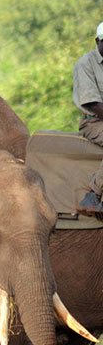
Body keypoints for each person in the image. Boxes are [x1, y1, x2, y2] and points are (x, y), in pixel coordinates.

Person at [73, 22, 103, 215]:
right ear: (97, 41)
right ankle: (93, 194)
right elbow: (92, 103)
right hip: (93, 121)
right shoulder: (85, 64)